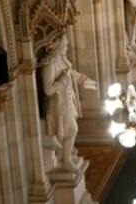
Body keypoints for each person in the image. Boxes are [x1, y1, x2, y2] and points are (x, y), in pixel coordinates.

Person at [41, 34, 97, 171]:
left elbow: (71, 74)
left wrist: (83, 80)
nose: (67, 47)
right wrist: (63, 80)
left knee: (68, 131)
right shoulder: (49, 66)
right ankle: (66, 160)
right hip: (58, 106)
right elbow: (48, 90)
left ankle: (65, 154)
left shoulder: (62, 60)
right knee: (72, 129)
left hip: (68, 102)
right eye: (65, 45)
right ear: (58, 47)